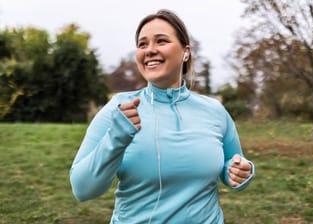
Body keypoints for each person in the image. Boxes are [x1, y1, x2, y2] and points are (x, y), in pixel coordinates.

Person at [70, 9, 255, 224]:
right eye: (142, 44)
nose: (149, 50)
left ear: (185, 52)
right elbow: (82, 189)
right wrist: (116, 139)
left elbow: (232, 165)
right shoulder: (119, 108)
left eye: (161, 41)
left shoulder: (214, 111)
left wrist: (241, 172)